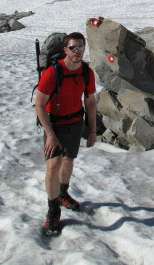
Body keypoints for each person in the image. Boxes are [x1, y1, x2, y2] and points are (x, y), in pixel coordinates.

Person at [34, 32, 96, 235]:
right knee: (53, 166)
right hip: (55, 125)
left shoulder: (87, 72)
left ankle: (62, 193)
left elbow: (90, 102)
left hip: (75, 122)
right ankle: (53, 211)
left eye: (80, 48)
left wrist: (92, 130)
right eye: (73, 48)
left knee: (68, 160)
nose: (77, 52)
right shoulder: (53, 73)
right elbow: (40, 105)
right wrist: (50, 135)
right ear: (65, 50)